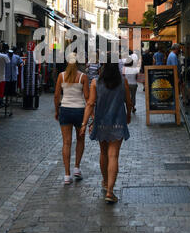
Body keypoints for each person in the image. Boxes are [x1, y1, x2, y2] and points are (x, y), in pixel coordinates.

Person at [80, 54, 132, 204]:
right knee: (113, 155)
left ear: (102, 66)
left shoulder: (96, 82)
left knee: (103, 153)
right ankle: (110, 190)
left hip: (101, 122)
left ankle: (105, 181)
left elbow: (90, 104)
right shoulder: (123, 82)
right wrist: (128, 115)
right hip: (118, 122)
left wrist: (84, 124)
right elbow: (128, 102)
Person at [54, 53, 89, 185]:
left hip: (65, 110)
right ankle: (77, 168)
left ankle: (67, 175)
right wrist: (91, 114)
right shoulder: (83, 77)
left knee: (66, 142)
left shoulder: (61, 76)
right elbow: (87, 96)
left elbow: (57, 96)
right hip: (79, 111)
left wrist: (57, 111)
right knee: (80, 140)